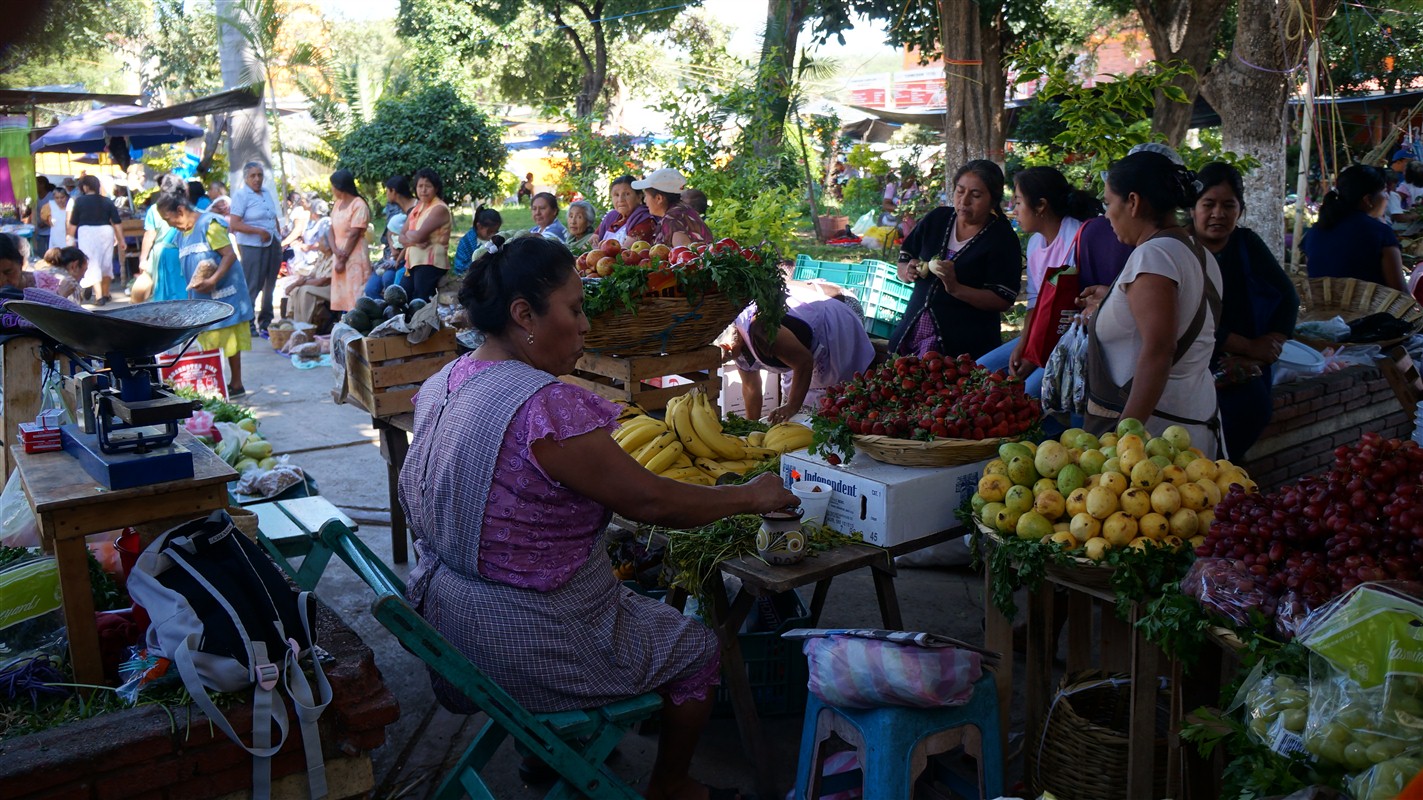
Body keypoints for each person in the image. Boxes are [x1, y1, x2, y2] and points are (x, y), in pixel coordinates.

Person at [400, 233, 794, 800]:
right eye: (575, 309)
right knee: (698, 650)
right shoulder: (544, 406)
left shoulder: (447, 380)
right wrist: (752, 496)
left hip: (449, 618)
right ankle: (672, 786)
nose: (585, 325)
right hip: (520, 637)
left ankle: (540, 756)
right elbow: (651, 502)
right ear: (522, 315)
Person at [1089, 150, 1223, 456]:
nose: (1107, 214)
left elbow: (1159, 350)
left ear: (1133, 202)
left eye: (1108, 203)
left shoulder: (1153, 256)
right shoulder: (1200, 254)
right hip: (1192, 424)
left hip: (1155, 441)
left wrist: (1124, 438)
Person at [1190, 162, 1299, 459]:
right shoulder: (1180, 249)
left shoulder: (1246, 243)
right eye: (1208, 204)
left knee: (1247, 417)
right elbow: (1192, 319)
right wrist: (1249, 346)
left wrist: (1270, 344)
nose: (1218, 214)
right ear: (1192, 208)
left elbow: (1287, 297)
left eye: (1229, 205)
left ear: (1240, 209)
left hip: (1244, 366)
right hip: (1192, 366)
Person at [978, 167, 1103, 396]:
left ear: (1041, 205)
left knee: (1027, 394)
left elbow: (1066, 312)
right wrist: (1024, 345)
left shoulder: (1076, 238)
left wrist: (1034, 357)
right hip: (1041, 335)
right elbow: (1035, 303)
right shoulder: (1036, 243)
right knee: (980, 370)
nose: (1013, 210)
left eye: (1017, 202)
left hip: (1072, 339)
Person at [892, 160, 1022, 359]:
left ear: (993, 199)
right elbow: (905, 256)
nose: (964, 201)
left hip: (964, 346)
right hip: (913, 332)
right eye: (960, 191)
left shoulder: (1002, 239)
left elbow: (1002, 299)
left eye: (975, 195)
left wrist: (956, 288)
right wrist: (906, 270)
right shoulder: (937, 219)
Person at [155, 194, 255, 398]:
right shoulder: (180, 234)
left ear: (181, 211)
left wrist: (214, 279)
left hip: (224, 292)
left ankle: (236, 384)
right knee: (205, 340)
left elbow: (229, 254)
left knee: (228, 337)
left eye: (169, 219)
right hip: (201, 296)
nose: (170, 225)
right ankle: (213, 385)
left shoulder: (209, 225)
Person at [730, 286, 877, 423]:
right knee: (798, 411)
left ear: (728, 343)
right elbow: (751, 388)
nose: (721, 360)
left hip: (835, 326)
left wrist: (792, 406)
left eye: (721, 355)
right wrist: (750, 428)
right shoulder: (737, 347)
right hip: (803, 351)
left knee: (839, 404)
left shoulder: (763, 330)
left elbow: (804, 362)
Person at [1303, 165, 1406, 292]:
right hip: (1369, 310)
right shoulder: (1380, 232)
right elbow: (1400, 293)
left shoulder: (1315, 231)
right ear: (1368, 199)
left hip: (1322, 309)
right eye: (1385, 191)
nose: (1387, 197)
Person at [228, 161, 285, 333]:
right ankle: (248, 322)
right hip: (252, 245)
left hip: (272, 242)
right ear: (246, 178)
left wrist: (278, 236)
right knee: (253, 284)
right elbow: (235, 224)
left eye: (260, 175)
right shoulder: (241, 195)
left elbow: (273, 216)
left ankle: (266, 321)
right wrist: (258, 231)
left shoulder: (266, 193)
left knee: (271, 284)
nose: (257, 179)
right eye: (253, 175)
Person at [66, 175, 125, 306]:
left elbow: (73, 223)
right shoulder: (107, 201)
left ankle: (98, 296)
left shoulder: (79, 201)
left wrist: (70, 238)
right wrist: (121, 240)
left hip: (86, 232)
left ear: (85, 187)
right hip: (105, 232)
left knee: (92, 262)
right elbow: (116, 222)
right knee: (105, 263)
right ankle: (105, 293)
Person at [399, 167, 452, 303]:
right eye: (420, 186)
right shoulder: (417, 208)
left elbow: (419, 236)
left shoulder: (439, 208)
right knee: (401, 299)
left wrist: (412, 236)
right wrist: (415, 241)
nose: (423, 190)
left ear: (436, 188)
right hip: (412, 264)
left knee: (419, 303)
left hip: (431, 264)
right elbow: (401, 237)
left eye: (428, 186)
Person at [139, 174, 190, 303]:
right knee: (184, 290)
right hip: (185, 252)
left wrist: (143, 259)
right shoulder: (187, 207)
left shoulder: (155, 209)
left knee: (165, 294)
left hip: (164, 255)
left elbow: (150, 235)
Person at [329, 169, 372, 315]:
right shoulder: (337, 204)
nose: (332, 189)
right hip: (339, 254)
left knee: (355, 292)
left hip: (354, 255)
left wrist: (343, 258)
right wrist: (335, 250)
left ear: (339, 187)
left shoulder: (359, 205)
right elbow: (330, 228)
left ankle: (357, 325)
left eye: (333, 186)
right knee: (343, 295)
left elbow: (354, 234)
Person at [633, 169, 711, 248]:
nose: (644, 200)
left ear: (659, 198)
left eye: (646, 196)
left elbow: (683, 253)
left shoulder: (672, 219)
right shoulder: (683, 210)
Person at [595, 175, 655, 245]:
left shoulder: (644, 220)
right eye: (616, 195)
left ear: (639, 196)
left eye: (627, 194)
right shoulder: (611, 217)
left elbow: (626, 251)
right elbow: (591, 242)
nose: (620, 200)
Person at [451, 206, 503, 277]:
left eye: (496, 231)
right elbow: (460, 267)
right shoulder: (466, 242)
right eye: (490, 231)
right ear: (479, 226)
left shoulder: (498, 238)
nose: (493, 234)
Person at [281, 191, 312, 271]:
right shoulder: (303, 210)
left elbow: (298, 230)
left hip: (296, 249)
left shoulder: (298, 210)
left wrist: (283, 244)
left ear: (289, 202)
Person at [41, 186, 68, 257]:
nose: (60, 200)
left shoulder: (70, 206)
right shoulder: (49, 206)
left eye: (62, 197)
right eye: (57, 198)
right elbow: (44, 219)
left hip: (67, 237)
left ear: (66, 197)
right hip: (55, 237)